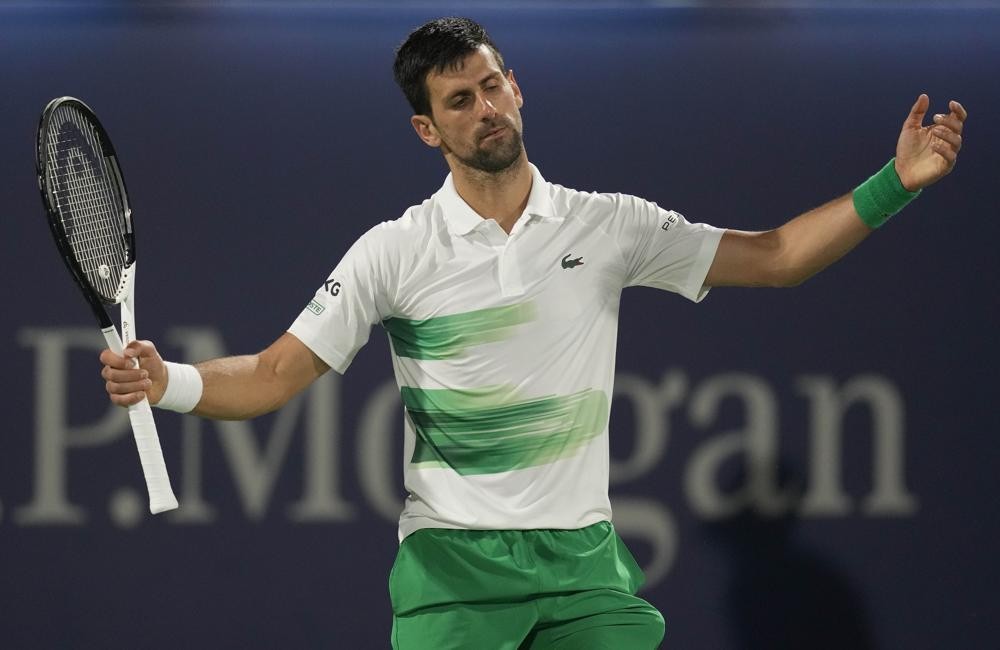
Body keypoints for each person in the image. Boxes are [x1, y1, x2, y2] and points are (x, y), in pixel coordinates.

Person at [99, 17, 966, 650]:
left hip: (585, 572)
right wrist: (168, 381)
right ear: (427, 129)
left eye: (492, 86)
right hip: (451, 576)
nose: (485, 108)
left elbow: (776, 257)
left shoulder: (609, 225)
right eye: (459, 100)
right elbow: (274, 373)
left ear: (515, 87)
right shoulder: (394, 251)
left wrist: (896, 183)